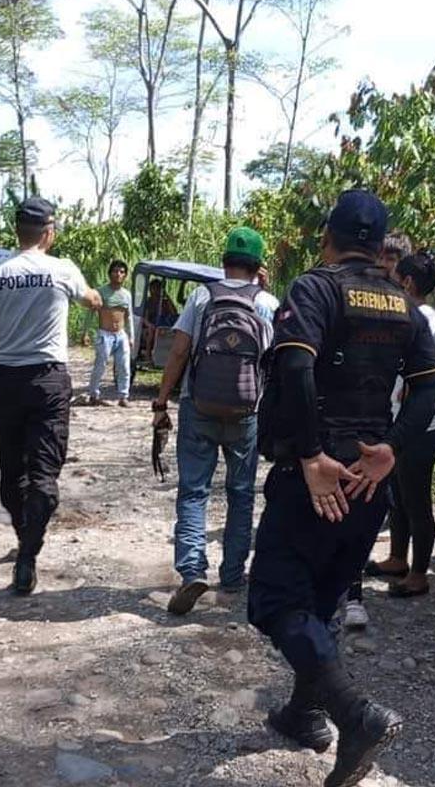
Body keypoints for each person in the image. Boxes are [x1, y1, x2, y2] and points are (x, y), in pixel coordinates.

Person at [248, 190, 435, 786]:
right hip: (368, 478)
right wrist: (392, 449)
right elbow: (431, 387)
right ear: (379, 243)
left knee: (276, 601)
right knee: (326, 598)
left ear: (329, 236)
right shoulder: (402, 305)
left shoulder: (317, 288)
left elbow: (297, 368)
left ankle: (355, 716)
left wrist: (310, 455)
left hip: (320, 473)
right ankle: (306, 713)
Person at [0, 197, 101, 595]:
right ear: (49, 233)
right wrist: (91, 296)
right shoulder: (61, 269)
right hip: (49, 381)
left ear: (17, 231)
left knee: (11, 472)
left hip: (7, 381)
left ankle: (24, 540)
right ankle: (28, 553)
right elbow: (92, 298)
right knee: (43, 473)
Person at [151, 227, 278, 615]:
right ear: (259, 267)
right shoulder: (268, 302)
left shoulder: (202, 295)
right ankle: (234, 573)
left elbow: (178, 352)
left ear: (223, 261)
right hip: (247, 411)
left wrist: (161, 401)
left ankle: (192, 570)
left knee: (194, 490)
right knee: (241, 493)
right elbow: (276, 362)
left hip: (198, 403)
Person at [364, 251, 435, 598]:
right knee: (397, 495)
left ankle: (418, 574)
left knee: (416, 500)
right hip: (404, 422)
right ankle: (397, 558)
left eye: (395, 276)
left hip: (422, 425)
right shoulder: (416, 314)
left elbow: (424, 372)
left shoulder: (424, 319)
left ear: (408, 283)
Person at [342, 232, 412, 630]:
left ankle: (351, 594)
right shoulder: (351, 298)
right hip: (361, 423)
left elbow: (424, 381)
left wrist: (396, 440)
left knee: (364, 509)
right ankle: (347, 592)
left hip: (381, 427)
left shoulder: (408, 313)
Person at [86, 260, 133, 407]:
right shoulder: (100, 292)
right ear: (110, 273)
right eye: (115, 271)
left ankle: (123, 396)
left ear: (125, 275)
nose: (118, 274)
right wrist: (86, 332)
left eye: (121, 272)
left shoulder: (126, 295)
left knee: (124, 366)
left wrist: (131, 336)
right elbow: (91, 313)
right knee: (100, 365)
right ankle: (93, 394)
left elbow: (129, 315)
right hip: (105, 334)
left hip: (120, 334)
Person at [140, 278, 179, 359]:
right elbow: (144, 318)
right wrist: (150, 325)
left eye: (157, 288)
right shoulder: (148, 302)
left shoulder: (164, 302)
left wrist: (167, 297)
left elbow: (174, 313)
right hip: (151, 326)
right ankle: (148, 355)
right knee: (151, 331)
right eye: (153, 288)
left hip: (163, 325)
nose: (154, 291)